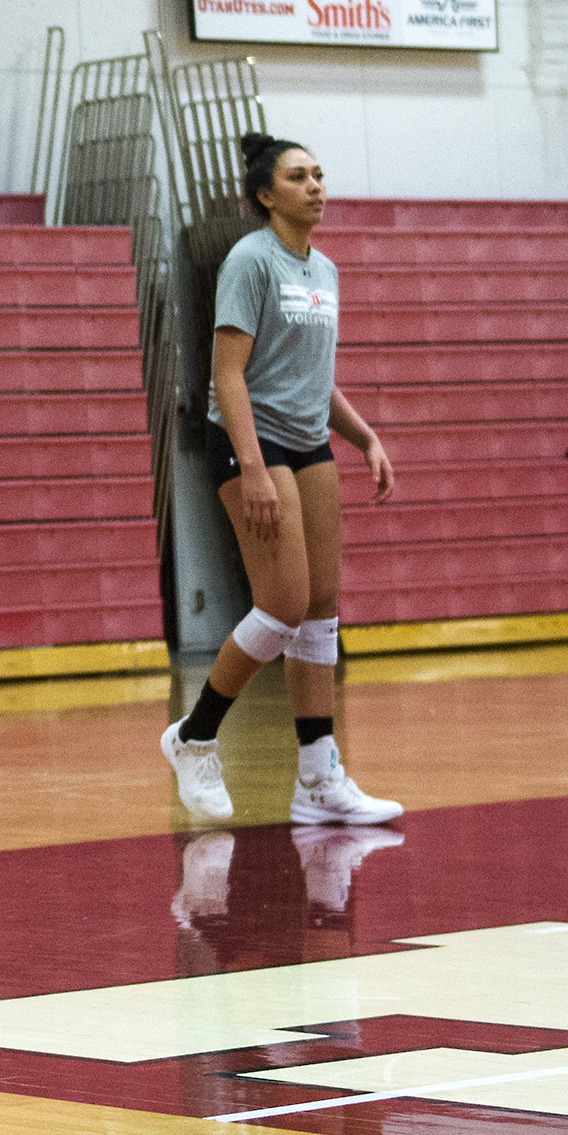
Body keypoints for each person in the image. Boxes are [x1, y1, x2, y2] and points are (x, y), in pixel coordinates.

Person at [160, 134, 402, 826]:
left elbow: (313, 378)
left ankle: (318, 780)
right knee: (284, 603)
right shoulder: (249, 259)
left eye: (321, 174)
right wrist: (255, 466)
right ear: (267, 195)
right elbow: (227, 372)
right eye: (299, 177)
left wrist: (364, 437)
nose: (316, 186)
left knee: (322, 607)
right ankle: (195, 735)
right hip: (250, 441)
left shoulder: (323, 269)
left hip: (306, 440)